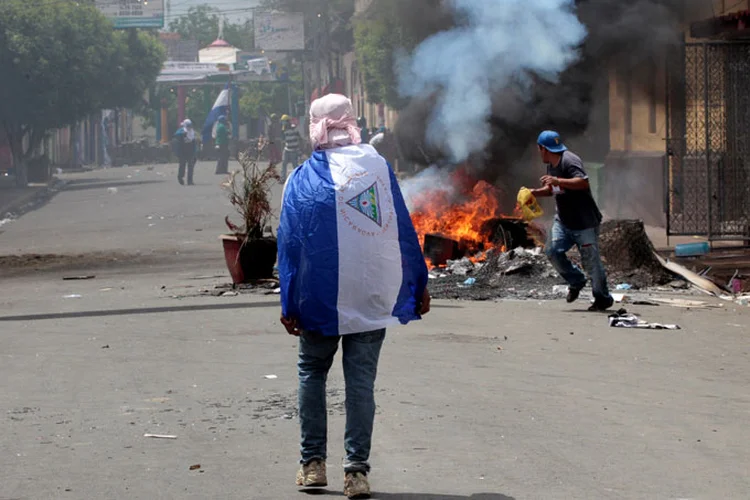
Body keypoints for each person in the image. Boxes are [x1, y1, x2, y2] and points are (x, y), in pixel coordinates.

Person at [277, 94, 430, 499]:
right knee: (360, 383)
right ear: (352, 123)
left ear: (314, 127)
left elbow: (289, 246)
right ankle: (356, 473)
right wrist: (418, 283)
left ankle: (312, 465)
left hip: (318, 299)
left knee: (312, 373)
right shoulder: (378, 168)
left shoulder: (302, 178)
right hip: (371, 294)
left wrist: (288, 302)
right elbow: (402, 228)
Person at [530, 130, 614, 311]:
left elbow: (583, 182)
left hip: (584, 223)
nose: (539, 153)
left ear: (543, 148)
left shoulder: (569, 160)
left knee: (592, 263)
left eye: (539, 149)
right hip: (563, 221)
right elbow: (553, 189)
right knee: (552, 251)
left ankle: (602, 299)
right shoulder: (551, 165)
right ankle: (576, 280)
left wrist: (557, 179)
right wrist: (534, 193)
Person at [173, 119, 198, 185]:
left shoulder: (192, 132)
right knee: (182, 166)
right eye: (188, 126)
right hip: (182, 152)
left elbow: (194, 143)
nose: (189, 127)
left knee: (190, 166)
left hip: (190, 152)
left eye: (190, 126)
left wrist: (195, 152)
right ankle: (180, 177)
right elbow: (176, 136)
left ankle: (190, 181)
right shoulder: (181, 131)